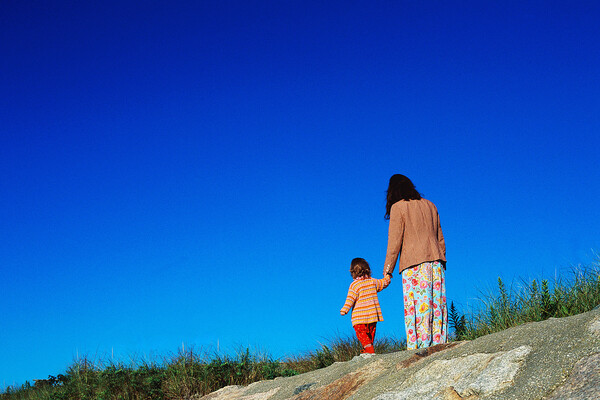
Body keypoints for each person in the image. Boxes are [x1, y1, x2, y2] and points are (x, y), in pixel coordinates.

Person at [382, 174, 447, 350]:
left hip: (413, 264)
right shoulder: (430, 205)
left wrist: (388, 270)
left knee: (417, 307)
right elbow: (440, 237)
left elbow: (394, 242)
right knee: (436, 305)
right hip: (436, 262)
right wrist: (442, 259)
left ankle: (419, 347)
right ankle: (439, 344)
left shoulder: (399, 207)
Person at [341, 257, 392, 354]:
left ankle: (369, 350)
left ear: (353, 272)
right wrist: (387, 276)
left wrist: (345, 309)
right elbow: (384, 283)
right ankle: (368, 350)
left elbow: (350, 299)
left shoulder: (354, 285)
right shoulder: (373, 282)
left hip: (359, 317)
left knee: (362, 335)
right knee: (370, 335)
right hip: (373, 316)